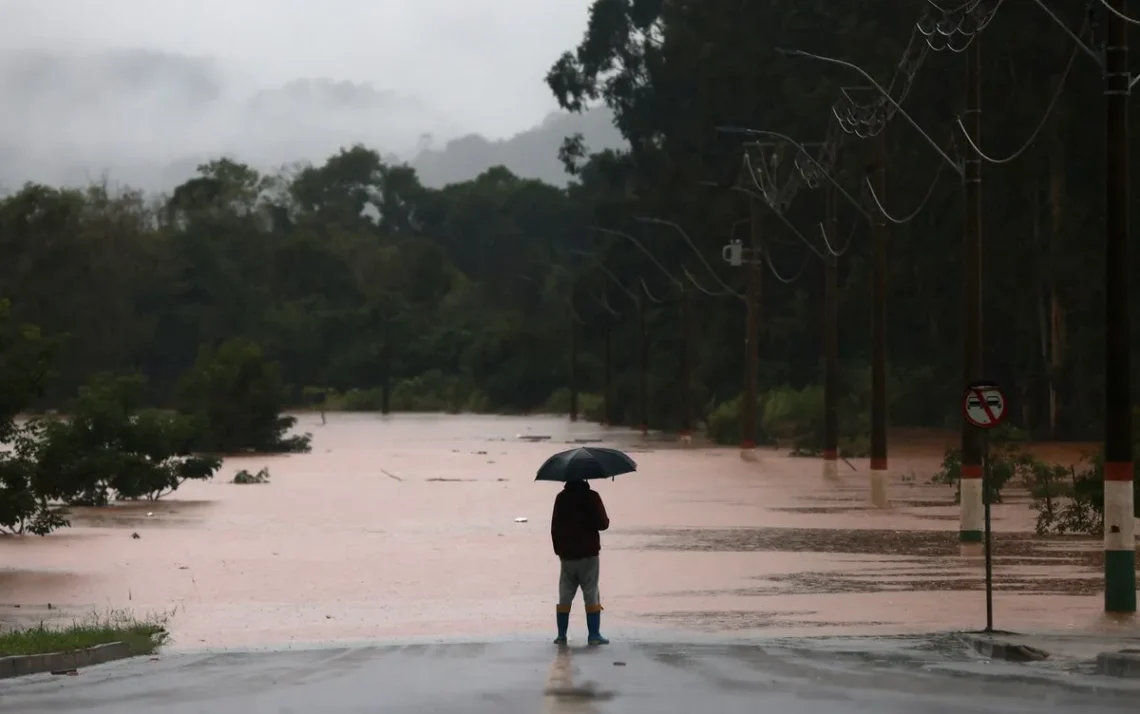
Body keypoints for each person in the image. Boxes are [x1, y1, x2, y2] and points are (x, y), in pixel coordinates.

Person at [550, 478, 610, 645]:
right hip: (588, 554)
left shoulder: (561, 498)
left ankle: (561, 635)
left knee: (565, 593)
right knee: (591, 592)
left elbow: (554, 526)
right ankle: (594, 635)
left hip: (567, 555)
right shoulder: (592, 497)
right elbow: (603, 524)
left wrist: (559, 550)